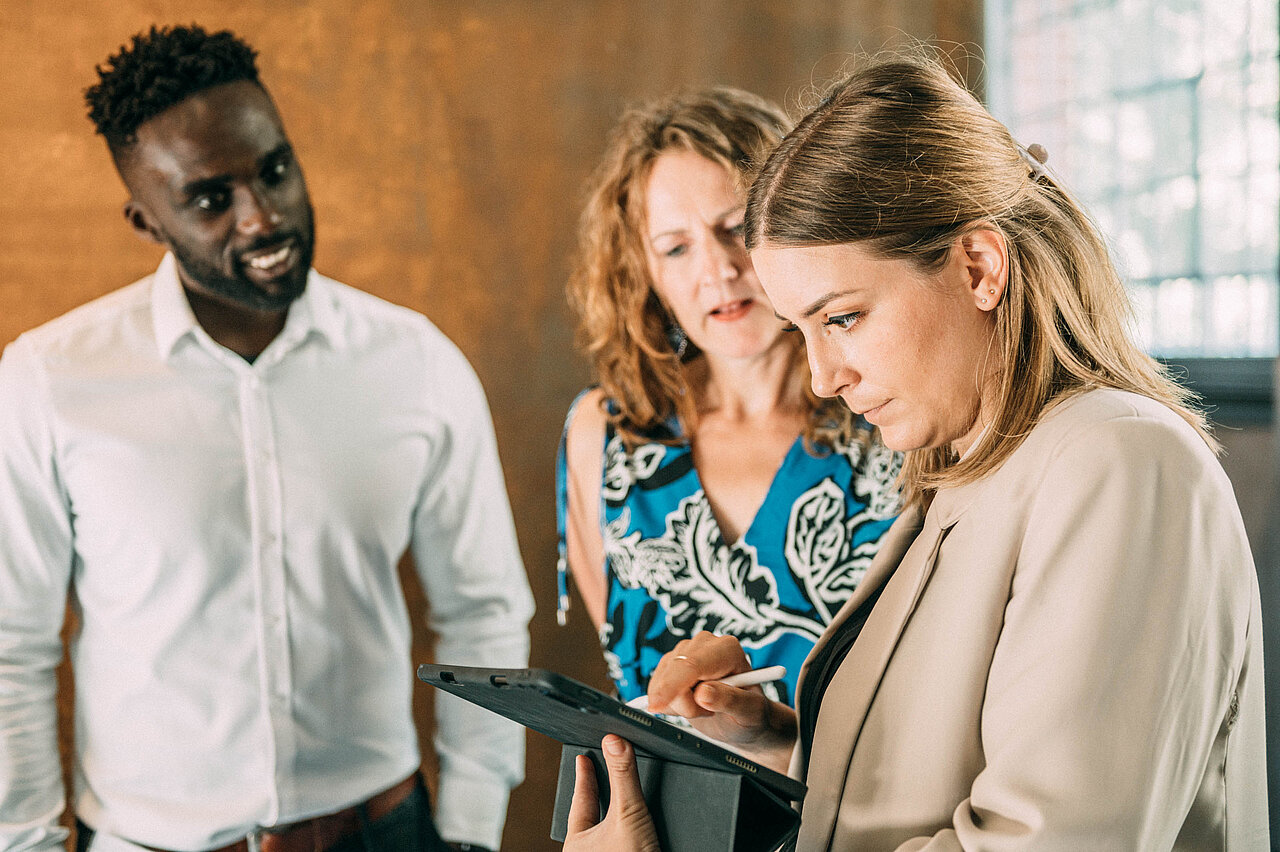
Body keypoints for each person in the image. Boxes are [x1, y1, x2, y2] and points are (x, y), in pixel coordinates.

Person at [564, 52, 1268, 851]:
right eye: (803, 330)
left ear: (978, 267)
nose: (825, 377)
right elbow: (938, 776)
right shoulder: (964, 472)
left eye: (844, 318)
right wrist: (776, 740)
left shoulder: (1117, 464)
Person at [0, 24, 533, 852]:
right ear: (146, 220)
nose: (263, 216)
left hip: (385, 834)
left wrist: (468, 831)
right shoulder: (50, 380)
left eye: (275, 171)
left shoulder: (415, 363)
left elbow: (484, 613)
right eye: (211, 198)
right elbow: (10, 645)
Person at [556, 87, 901, 707]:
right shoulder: (605, 433)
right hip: (663, 802)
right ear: (644, 271)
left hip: (858, 801)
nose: (716, 270)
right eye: (676, 247)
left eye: (736, 227)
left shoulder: (889, 412)